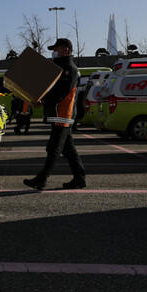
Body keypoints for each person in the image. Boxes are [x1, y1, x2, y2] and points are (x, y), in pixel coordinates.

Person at [23, 38, 87, 190]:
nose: (55, 53)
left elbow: (61, 93)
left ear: (66, 49)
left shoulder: (69, 68)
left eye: (57, 49)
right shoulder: (60, 67)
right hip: (60, 114)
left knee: (53, 148)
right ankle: (79, 178)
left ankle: (42, 179)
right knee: (67, 149)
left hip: (63, 114)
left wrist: (43, 101)